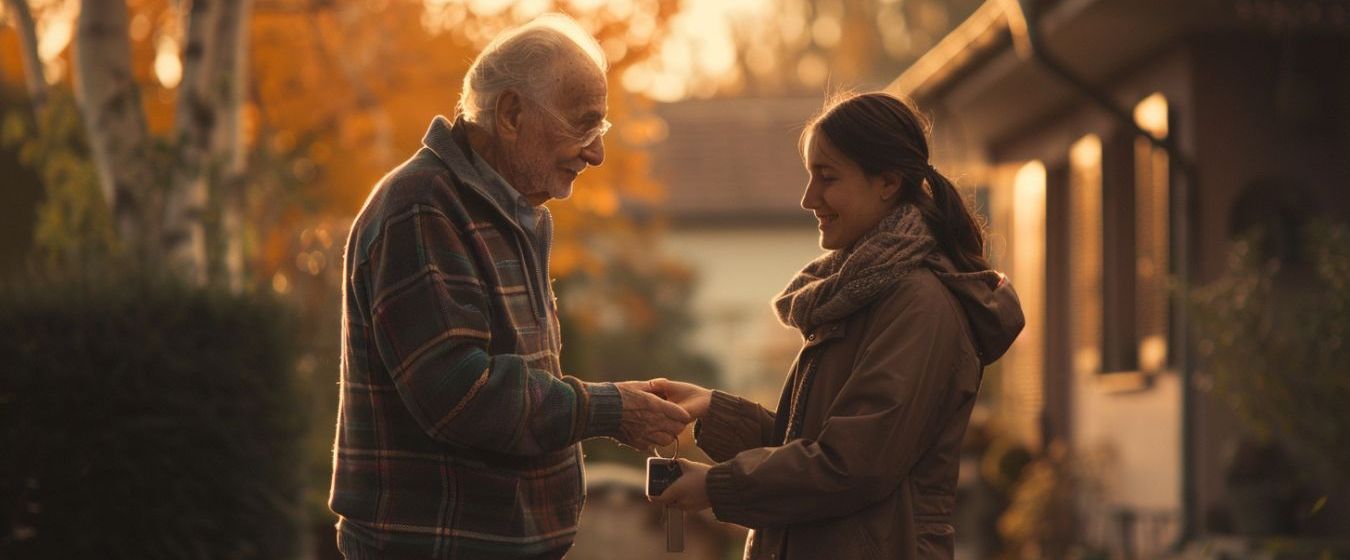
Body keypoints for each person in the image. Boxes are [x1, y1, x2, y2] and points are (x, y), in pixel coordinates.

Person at [329, 14, 690, 559]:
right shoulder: (422, 208)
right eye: (584, 126)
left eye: (602, 130)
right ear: (512, 113)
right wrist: (608, 409)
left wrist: (613, 406)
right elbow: (461, 395)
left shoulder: (501, 211)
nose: (597, 154)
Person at [649, 91, 1026, 559]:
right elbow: (813, 446)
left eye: (827, 179)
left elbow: (852, 465)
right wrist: (713, 410)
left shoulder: (920, 306)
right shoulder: (865, 292)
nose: (809, 199)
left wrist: (717, 485)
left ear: (887, 182)